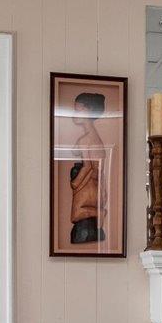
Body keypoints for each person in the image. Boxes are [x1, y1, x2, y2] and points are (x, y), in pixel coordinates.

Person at [66, 91, 108, 245]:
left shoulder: (86, 139)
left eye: (78, 110)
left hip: (90, 185)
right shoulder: (92, 137)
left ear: (89, 111)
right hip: (97, 185)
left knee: (76, 215)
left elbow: (88, 166)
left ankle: (100, 213)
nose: (74, 114)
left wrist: (75, 184)